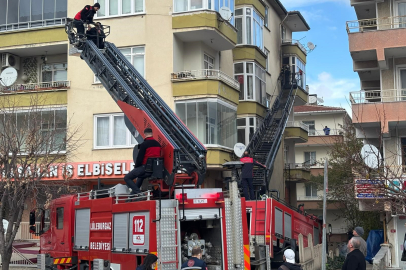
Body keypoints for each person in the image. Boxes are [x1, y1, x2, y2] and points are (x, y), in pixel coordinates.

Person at [124, 128, 161, 194]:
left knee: (127, 178)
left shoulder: (144, 144)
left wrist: (136, 167)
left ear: (144, 134)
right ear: (152, 134)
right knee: (140, 177)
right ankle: (132, 196)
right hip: (154, 170)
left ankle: (139, 193)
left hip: (144, 168)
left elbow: (139, 158)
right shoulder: (158, 144)